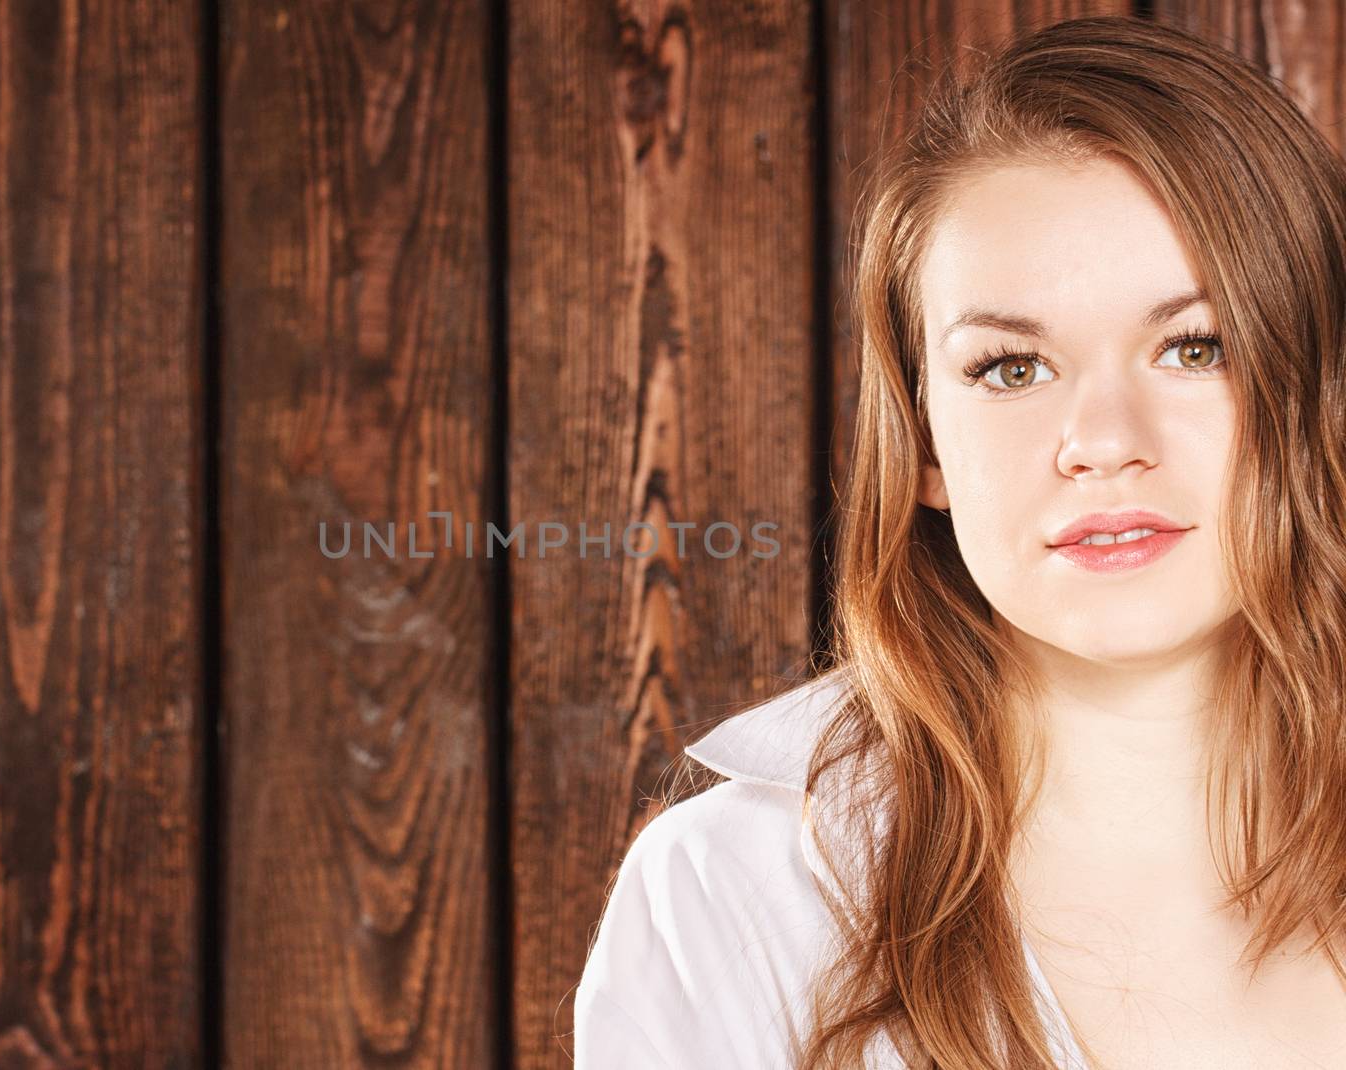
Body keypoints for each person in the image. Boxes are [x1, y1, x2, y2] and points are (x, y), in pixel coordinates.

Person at [572, 15, 1346, 1069]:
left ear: (1317, 391)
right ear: (923, 440)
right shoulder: (730, 897)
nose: (1105, 443)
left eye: (1192, 346)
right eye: (1011, 369)